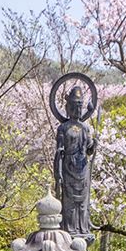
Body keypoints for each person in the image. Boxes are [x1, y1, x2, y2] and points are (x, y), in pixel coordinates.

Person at [53, 86, 94, 237]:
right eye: (74, 105)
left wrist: (94, 144)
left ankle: (83, 229)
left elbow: (89, 150)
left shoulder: (85, 127)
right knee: (69, 201)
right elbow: (59, 151)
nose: (77, 109)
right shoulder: (63, 128)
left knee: (83, 202)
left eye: (79, 106)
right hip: (68, 167)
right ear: (67, 107)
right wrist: (57, 172)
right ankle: (69, 230)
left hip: (82, 168)